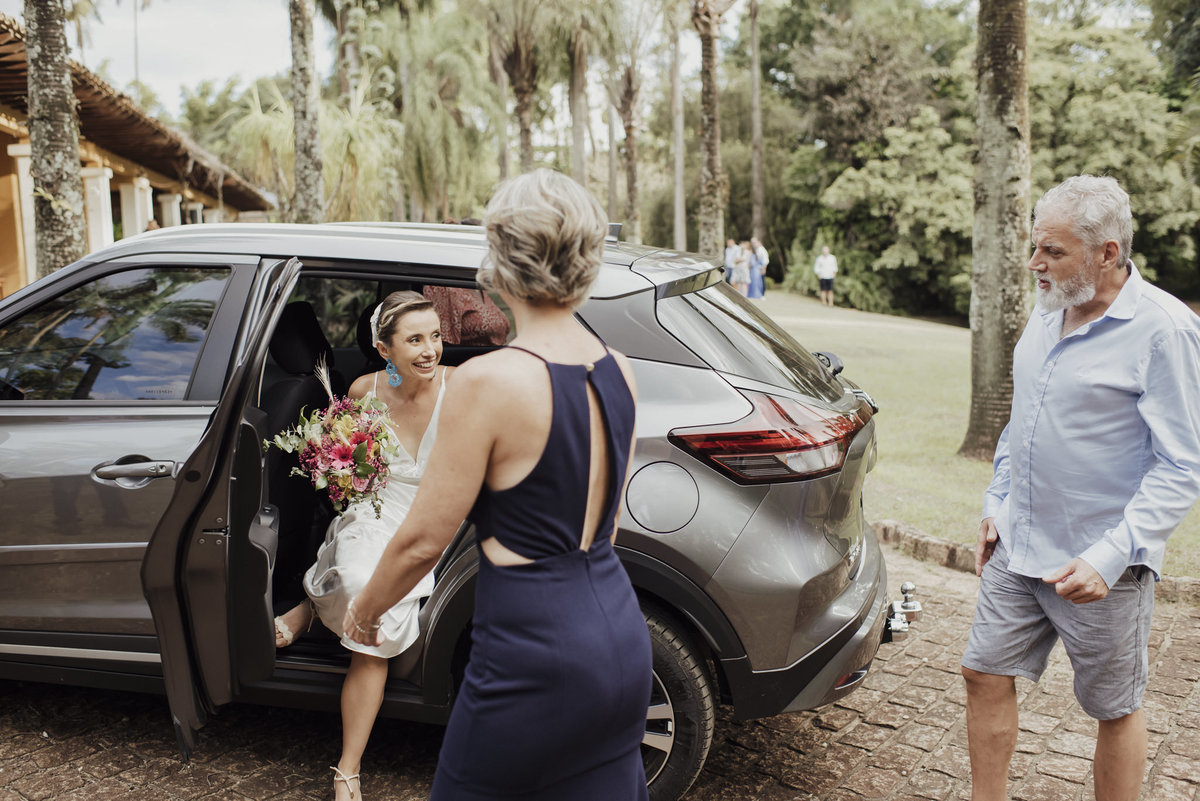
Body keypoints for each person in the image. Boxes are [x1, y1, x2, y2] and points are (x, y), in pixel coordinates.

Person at [343, 168, 652, 801]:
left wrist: (366, 611)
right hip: (621, 633)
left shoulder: (490, 380)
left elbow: (423, 540)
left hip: (533, 648)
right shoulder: (619, 370)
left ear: (501, 260)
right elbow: (608, 523)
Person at [961, 175, 1200, 801]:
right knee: (982, 672)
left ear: (1108, 253)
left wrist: (1109, 556)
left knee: (1114, 709)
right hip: (1019, 544)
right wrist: (996, 504)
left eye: (1053, 251)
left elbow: (1181, 466)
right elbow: (1021, 423)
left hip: (1102, 565)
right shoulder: (1044, 315)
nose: (1036, 264)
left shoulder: (1165, 331)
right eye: (1034, 248)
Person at [272, 290, 453, 801]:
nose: (430, 350)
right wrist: (342, 469)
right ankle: (347, 765)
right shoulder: (364, 389)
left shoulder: (462, 387)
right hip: (376, 512)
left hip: (432, 520)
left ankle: (346, 765)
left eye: (435, 336)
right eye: (414, 339)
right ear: (383, 348)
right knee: (355, 581)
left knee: (377, 606)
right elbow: (350, 473)